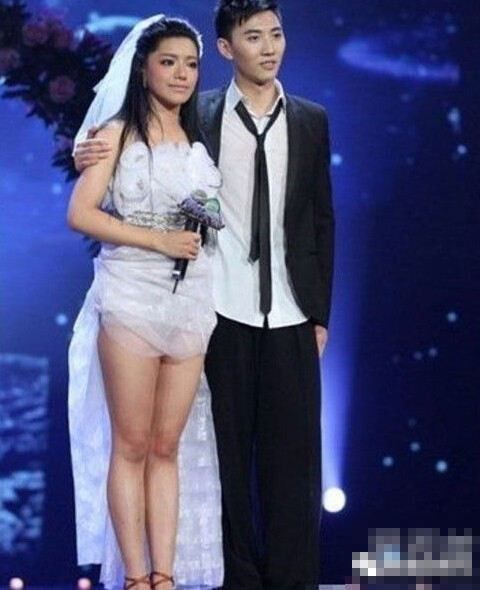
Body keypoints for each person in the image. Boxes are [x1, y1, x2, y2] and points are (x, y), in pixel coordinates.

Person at [75, 1, 335, 588]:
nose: (268, 47)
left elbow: (321, 219)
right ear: (227, 48)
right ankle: (213, 578)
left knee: (294, 466)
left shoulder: (311, 120)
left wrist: (320, 312)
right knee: (221, 461)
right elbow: (122, 149)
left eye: (276, 34)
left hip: (288, 309)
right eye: (253, 36)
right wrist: (83, 150)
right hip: (216, 306)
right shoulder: (204, 115)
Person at [67, 15, 224, 590]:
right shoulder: (114, 134)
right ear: (143, 69)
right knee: (131, 445)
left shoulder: (199, 136)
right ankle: (135, 577)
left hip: (190, 300)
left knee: (166, 446)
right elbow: (81, 215)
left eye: (191, 64)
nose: (182, 74)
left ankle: (165, 575)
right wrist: (157, 241)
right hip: (131, 294)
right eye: (168, 62)